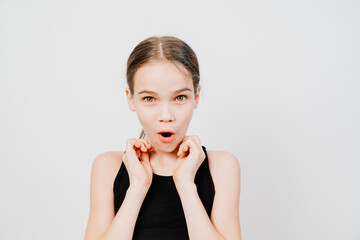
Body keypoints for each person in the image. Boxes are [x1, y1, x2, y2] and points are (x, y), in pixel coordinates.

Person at [84, 36, 242, 240]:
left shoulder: (222, 166)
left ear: (196, 97)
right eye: (149, 98)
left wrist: (186, 185)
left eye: (180, 97)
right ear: (131, 99)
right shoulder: (108, 166)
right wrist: (137, 188)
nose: (166, 116)